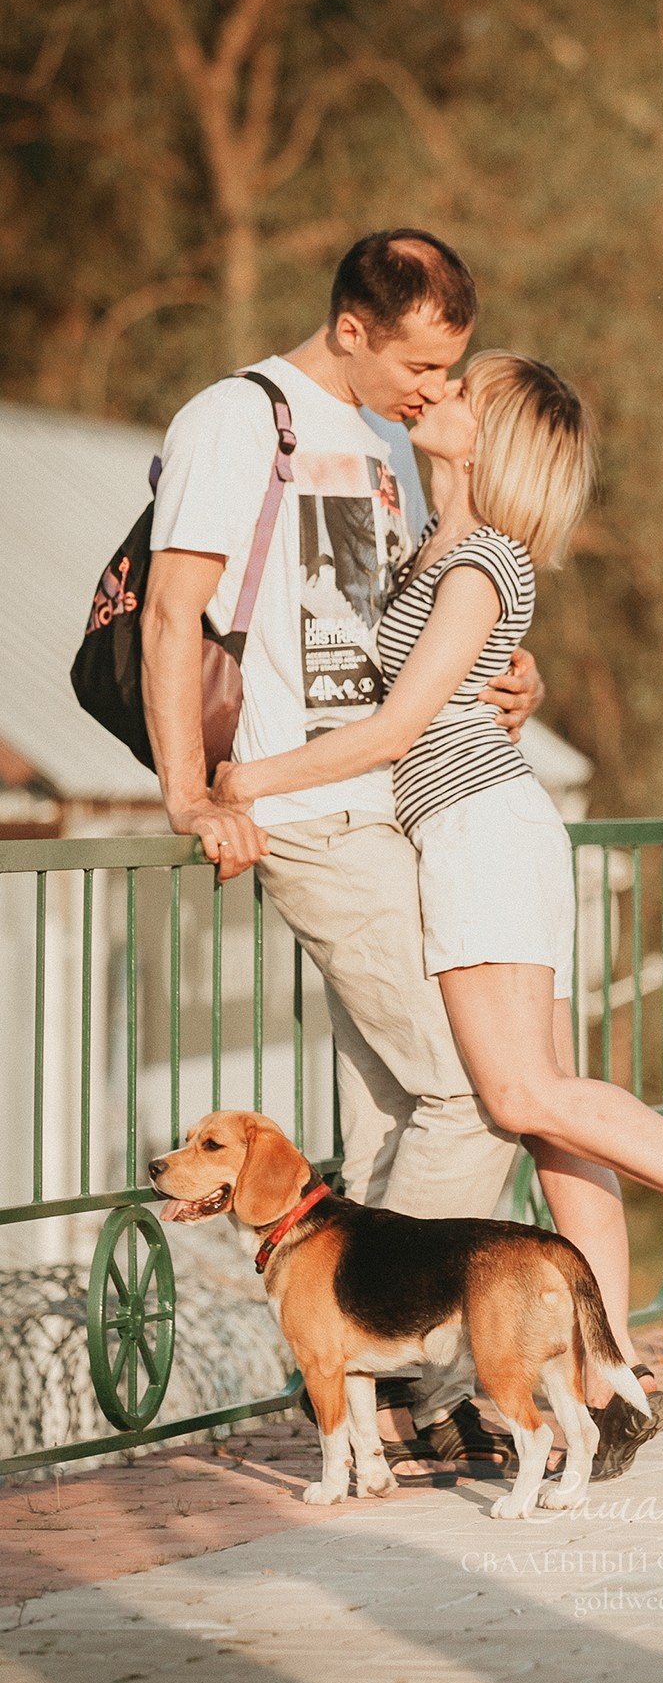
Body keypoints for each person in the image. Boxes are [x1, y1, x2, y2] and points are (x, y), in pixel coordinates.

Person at [211, 348, 663, 1457]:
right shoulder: (443, 547)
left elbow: (397, 729)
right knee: (554, 1108)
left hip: (479, 829)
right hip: (478, 828)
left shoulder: (479, 562)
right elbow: (465, 680)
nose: (440, 394)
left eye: (463, 391)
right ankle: (610, 1377)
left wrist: (244, 781)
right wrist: (524, 681)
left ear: (492, 437)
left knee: (523, 1095)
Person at [141, 229, 543, 1474]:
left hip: (395, 799)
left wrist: (509, 674)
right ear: (356, 328)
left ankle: (373, 1415)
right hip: (310, 816)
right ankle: (420, 1364)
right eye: (422, 364)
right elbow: (172, 607)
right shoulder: (238, 418)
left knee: (386, 1108)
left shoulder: (380, 444)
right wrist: (187, 794)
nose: (437, 391)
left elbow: (410, 622)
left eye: (452, 368)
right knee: (468, 1087)